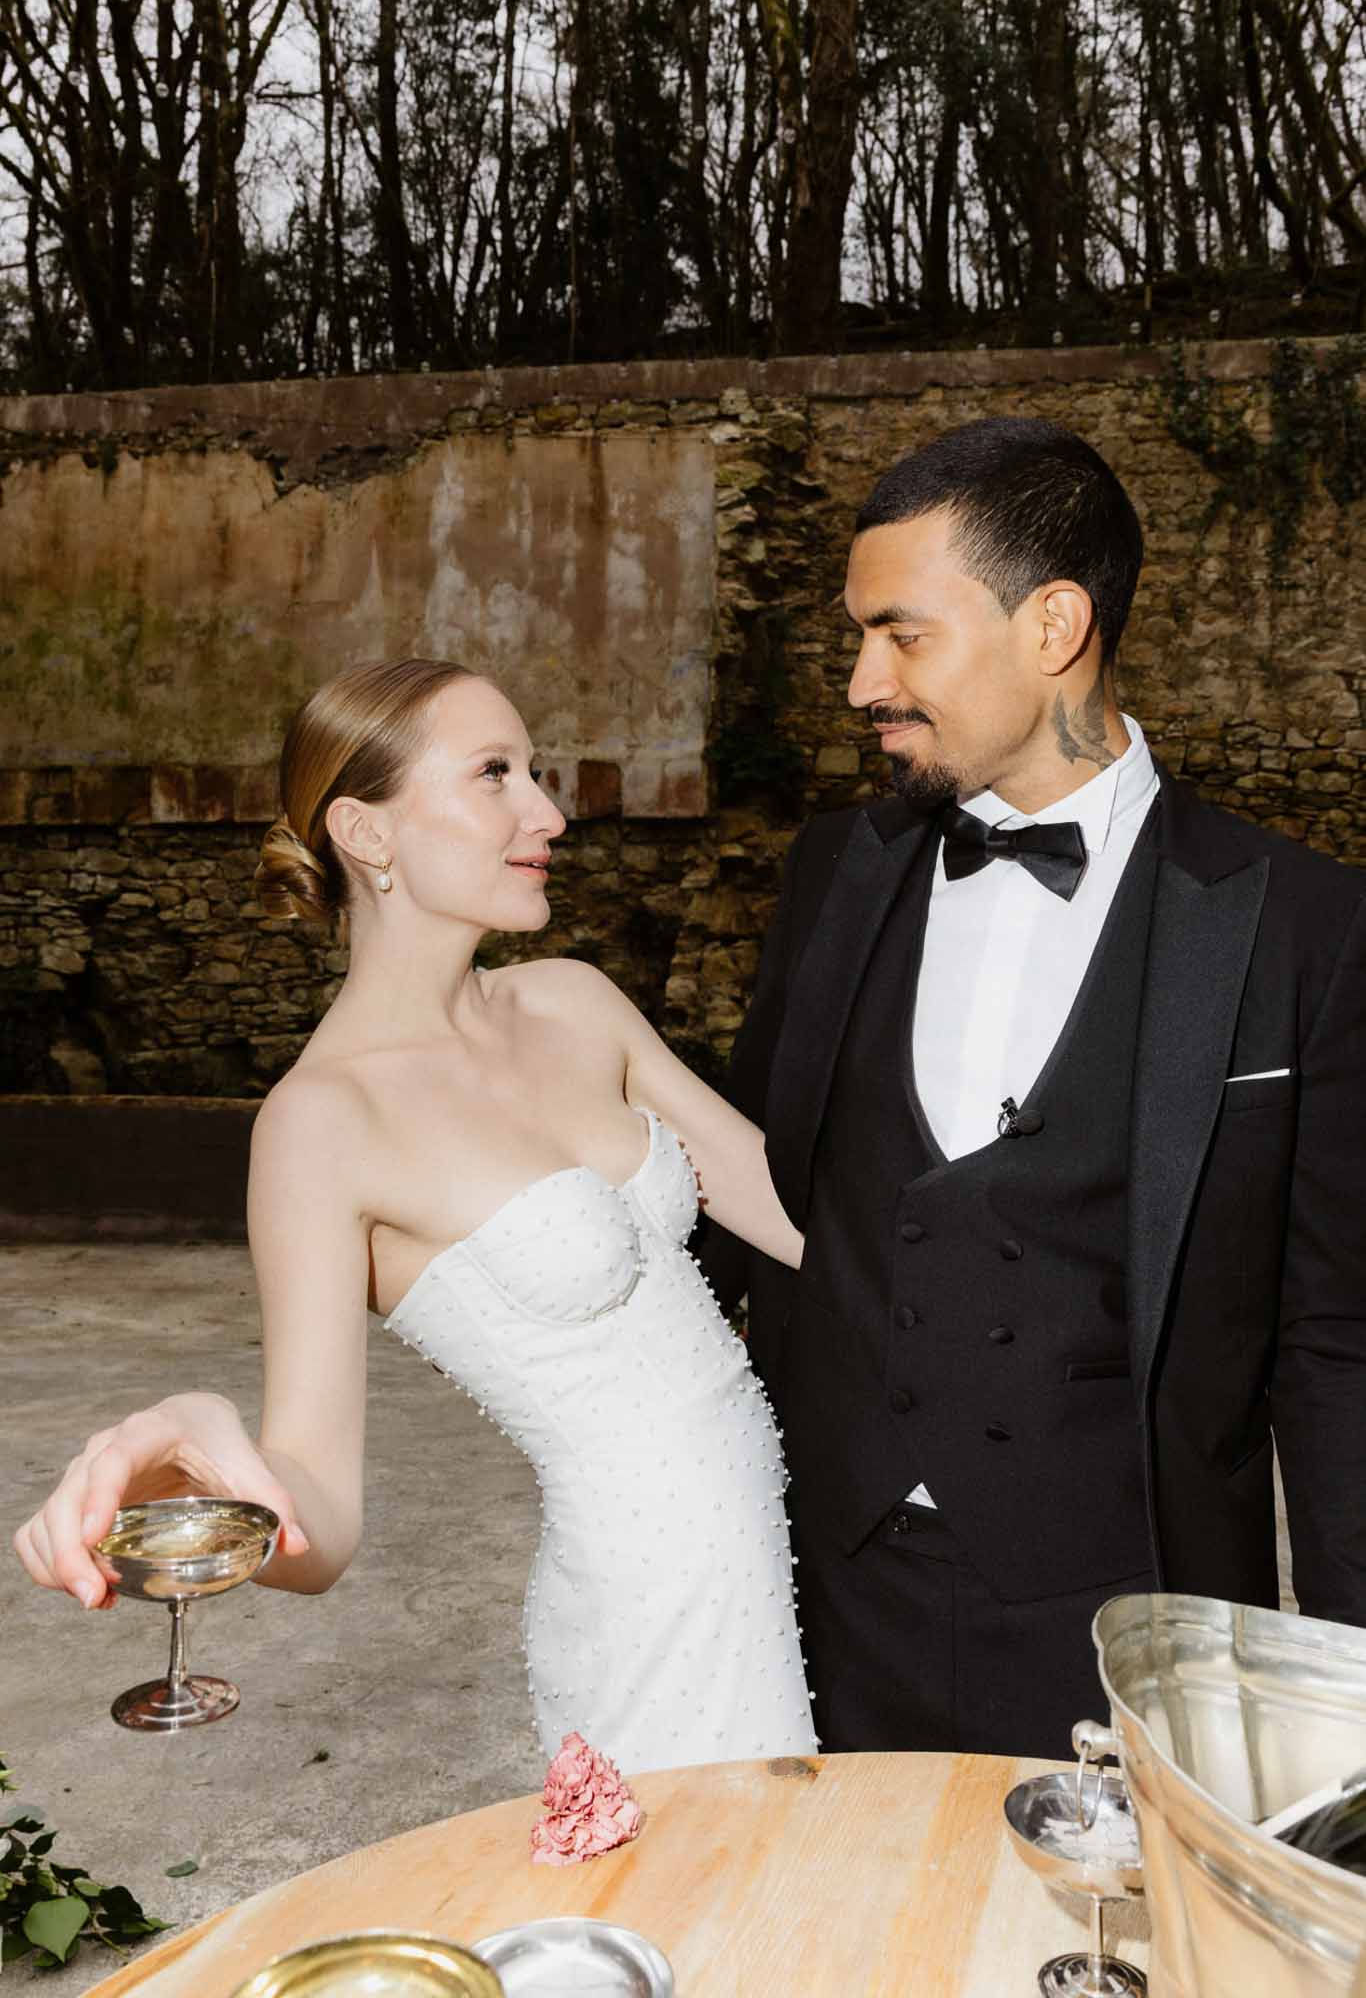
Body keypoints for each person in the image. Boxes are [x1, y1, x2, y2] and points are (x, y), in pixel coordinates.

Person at [699, 415, 1366, 1762]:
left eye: (901, 633)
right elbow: (747, 1207)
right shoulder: (831, 876)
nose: (857, 683)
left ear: (1052, 622)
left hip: (1136, 1624)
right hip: (833, 1595)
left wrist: (1351, 1693)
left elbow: (1335, 1345)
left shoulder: (1301, 926)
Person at [14, 658, 817, 1774]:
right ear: (366, 831)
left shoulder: (573, 998)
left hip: (801, 1545)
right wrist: (207, 1444)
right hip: (646, 1617)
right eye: (495, 774)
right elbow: (323, 1524)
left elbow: (811, 1226)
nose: (549, 811)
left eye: (533, 770)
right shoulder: (319, 1123)